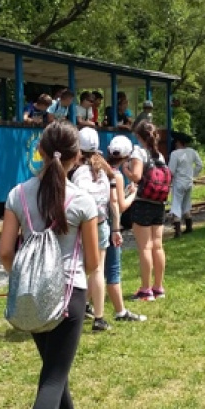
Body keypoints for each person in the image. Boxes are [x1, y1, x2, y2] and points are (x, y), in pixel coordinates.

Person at [0, 120, 100, 409]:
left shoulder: (17, 195)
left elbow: (4, 253)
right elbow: (93, 261)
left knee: (54, 373)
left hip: (34, 297)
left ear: (39, 152)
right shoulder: (82, 201)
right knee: (53, 379)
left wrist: (28, 277)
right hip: (70, 296)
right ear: (77, 158)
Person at [70, 127, 112, 331]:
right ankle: (99, 317)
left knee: (78, 267)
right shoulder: (103, 171)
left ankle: (74, 309)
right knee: (98, 269)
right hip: (101, 224)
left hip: (82, 226)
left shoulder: (78, 173)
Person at [123, 120, 166, 301]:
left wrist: (125, 169)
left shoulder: (138, 152)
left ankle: (145, 290)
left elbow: (137, 176)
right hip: (159, 204)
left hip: (143, 203)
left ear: (139, 136)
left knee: (145, 247)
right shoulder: (159, 156)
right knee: (157, 245)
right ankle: (158, 287)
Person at [104, 135, 146, 322]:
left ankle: (87, 304)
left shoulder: (100, 170)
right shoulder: (117, 175)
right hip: (109, 226)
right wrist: (133, 194)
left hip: (94, 223)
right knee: (113, 270)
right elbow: (120, 205)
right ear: (127, 156)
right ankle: (120, 311)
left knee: (96, 269)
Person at [168, 133, 203, 238]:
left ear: (178, 142)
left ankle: (177, 230)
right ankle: (189, 226)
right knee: (186, 204)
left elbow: (171, 171)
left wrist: (168, 181)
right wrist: (193, 174)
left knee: (176, 204)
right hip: (189, 182)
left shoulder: (175, 154)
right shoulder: (192, 152)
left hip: (179, 182)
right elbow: (200, 165)